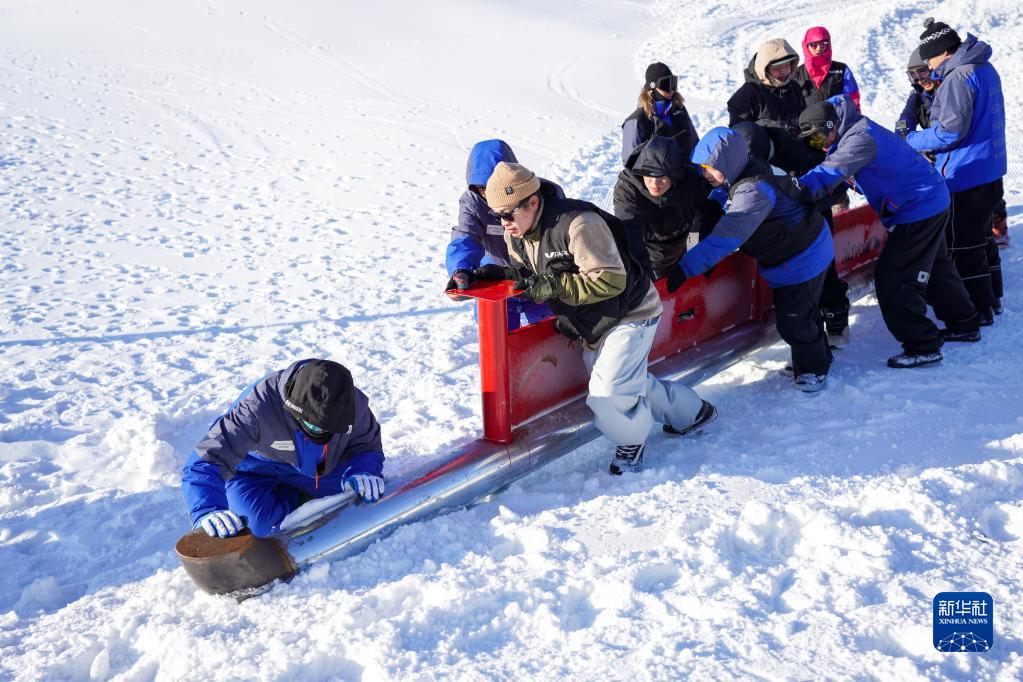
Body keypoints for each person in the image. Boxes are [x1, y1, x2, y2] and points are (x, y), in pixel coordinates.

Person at [471, 162, 716, 475]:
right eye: (496, 216)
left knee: (608, 394)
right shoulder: (517, 234)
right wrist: (503, 274)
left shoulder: (578, 224)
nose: (503, 223)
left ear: (532, 202)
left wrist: (552, 285)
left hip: (630, 313)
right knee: (629, 384)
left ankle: (632, 441)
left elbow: (611, 279)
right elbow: (532, 273)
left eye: (507, 214)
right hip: (591, 322)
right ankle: (693, 413)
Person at [797, 97, 981, 368]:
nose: (820, 144)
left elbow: (828, 173)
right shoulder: (850, 133)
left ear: (832, 124)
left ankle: (923, 344)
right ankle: (964, 322)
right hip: (928, 199)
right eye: (811, 141)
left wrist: (791, 192)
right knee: (936, 266)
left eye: (820, 137)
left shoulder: (860, 138)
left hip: (918, 206)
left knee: (894, 278)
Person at [667, 127, 834, 391]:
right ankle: (816, 354)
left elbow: (726, 239)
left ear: (728, 162)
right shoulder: (749, 168)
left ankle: (814, 368)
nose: (705, 174)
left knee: (794, 320)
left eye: (710, 168)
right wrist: (716, 198)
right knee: (804, 311)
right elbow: (732, 191)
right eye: (702, 169)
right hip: (806, 246)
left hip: (801, 257)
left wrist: (686, 267)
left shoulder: (754, 191)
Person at [181, 359, 385, 538]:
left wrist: (363, 471)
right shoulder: (256, 407)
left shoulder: (353, 406)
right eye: (313, 426)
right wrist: (207, 508)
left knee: (355, 499)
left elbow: (367, 446)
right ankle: (289, 499)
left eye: (328, 428)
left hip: (319, 470)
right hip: (254, 472)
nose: (319, 432)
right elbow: (207, 459)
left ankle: (297, 497)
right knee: (254, 529)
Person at [906, 19, 1006, 324]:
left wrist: (911, 140)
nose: (929, 65)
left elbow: (950, 132)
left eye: (930, 57)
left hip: (966, 173)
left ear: (940, 51)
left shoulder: (957, 77)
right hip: (989, 167)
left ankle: (979, 310)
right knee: (983, 240)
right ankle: (994, 299)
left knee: (965, 246)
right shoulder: (983, 67)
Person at [730, 121, 852, 349]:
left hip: (814, 218)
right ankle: (812, 341)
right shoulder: (744, 162)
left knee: (824, 272)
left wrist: (807, 201)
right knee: (800, 287)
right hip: (781, 227)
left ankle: (836, 319)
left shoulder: (800, 152)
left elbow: (838, 185)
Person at [445, 139, 557, 329]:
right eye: (483, 190)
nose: (489, 196)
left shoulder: (544, 192)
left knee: (550, 330)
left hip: (539, 273)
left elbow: (559, 239)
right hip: (498, 274)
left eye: (493, 187)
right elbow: (466, 236)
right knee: (496, 331)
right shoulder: (472, 202)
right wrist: (461, 269)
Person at [612, 136, 719, 280]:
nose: (654, 183)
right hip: (648, 249)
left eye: (662, 176)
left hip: (684, 240)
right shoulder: (628, 187)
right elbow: (629, 231)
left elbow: (706, 217)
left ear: (674, 175)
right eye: (648, 175)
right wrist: (642, 272)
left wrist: (699, 255)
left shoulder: (691, 182)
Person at [621, 62, 700, 166]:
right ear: (652, 87)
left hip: (685, 173)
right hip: (657, 178)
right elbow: (630, 161)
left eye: (673, 84)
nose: (671, 91)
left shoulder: (678, 110)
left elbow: (694, 143)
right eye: (666, 85)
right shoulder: (637, 120)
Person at [727, 38, 805, 136]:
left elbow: (804, 121)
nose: (784, 72)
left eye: (787, 65)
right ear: (764, 68)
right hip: (764, 149)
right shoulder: (746, 95)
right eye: (777, 68)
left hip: (795, 148)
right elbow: (740, 136)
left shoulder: (794, 87)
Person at [793, 26, 861, 109]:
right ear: (806, 46)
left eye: (822, 44)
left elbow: (852, 99)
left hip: (837, 121)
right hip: (805, 121)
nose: (818, 48)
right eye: (813, 45)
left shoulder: (842, 70)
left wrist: (853, 118)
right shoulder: (796, 74)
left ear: (828, 45)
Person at [896, 48, 937, 136]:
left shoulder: (952, 89)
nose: (921, 81)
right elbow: (906, 117)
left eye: (923, 72)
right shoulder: (918, 95)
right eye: (913, 75)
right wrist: (902, 133)